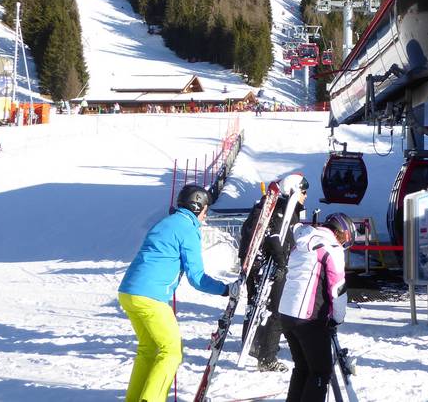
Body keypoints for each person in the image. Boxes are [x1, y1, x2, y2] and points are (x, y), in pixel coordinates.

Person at [118, 184, 236, 402]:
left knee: (148, 348)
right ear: (197, 207)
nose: (205, 215)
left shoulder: (166, 222)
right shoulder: (188, 229)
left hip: (129, 292)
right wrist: (226, 289)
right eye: (206, 209)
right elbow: (197, 278)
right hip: (151, 297)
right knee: (171, 352)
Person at [276, 212, 354, 402]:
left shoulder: (301, 243)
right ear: (340, 232)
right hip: (309, 317)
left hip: (287, 313)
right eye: (345, 240)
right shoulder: (331, 248)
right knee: (320, 371)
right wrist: (338, 317)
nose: (344, 245)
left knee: (303, 368)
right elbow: (338, 289)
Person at [240, 172, 309, 372]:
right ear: (294, 191)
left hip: (257, 265)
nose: (305, 196)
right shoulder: (282, 209)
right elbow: (275, 237)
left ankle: (254, 345)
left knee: (256, 305)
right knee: (276, 311)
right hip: (271, 266)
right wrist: (281, 264)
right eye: (303, 192)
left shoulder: (271, 205)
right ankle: (267, 357)